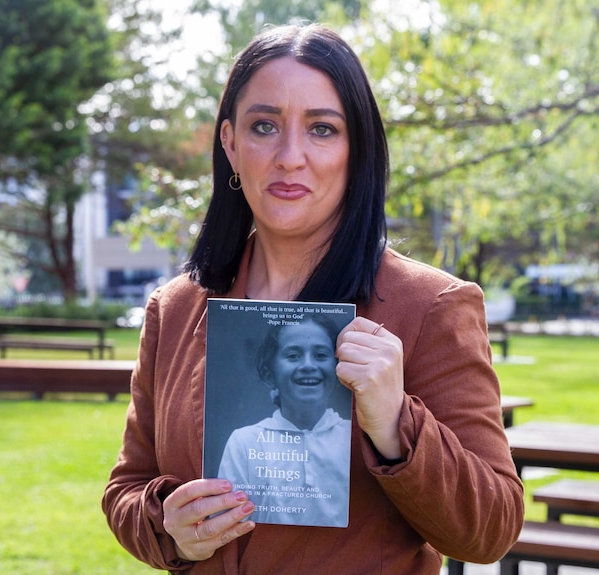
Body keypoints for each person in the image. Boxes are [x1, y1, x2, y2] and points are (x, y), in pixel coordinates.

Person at [102, 23, 524, 574]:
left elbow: (490, 532)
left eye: (322, 129)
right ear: (230, 143)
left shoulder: (431, 306)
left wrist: (398, 425)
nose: (289, 156)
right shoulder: (176, 309)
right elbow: (125, 490)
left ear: (357, 150)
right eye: (264, 126)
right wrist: (168, 527)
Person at [216, 316, 351, 527]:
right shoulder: (244, 442)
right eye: (293, 355)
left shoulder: (353, 437)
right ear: (270, 374)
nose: (308, 365)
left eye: (321, 354)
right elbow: (227, 522)